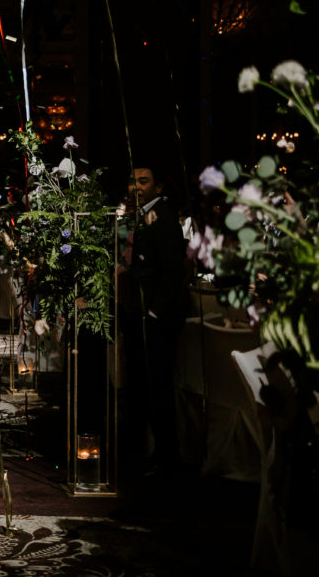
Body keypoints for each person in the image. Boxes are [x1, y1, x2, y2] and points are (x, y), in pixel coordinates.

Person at [120, 164, 187, 478]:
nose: (136, 187)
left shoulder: (165, 216)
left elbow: (173, 271)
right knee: (140, 385)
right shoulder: (139, 215)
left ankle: (166, 458)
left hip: (156, 317)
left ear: (158, 187)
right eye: (132, 181)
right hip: (138, 312)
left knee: (157, 386)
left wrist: (154, 312)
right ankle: (141, 452)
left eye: (143, 181)